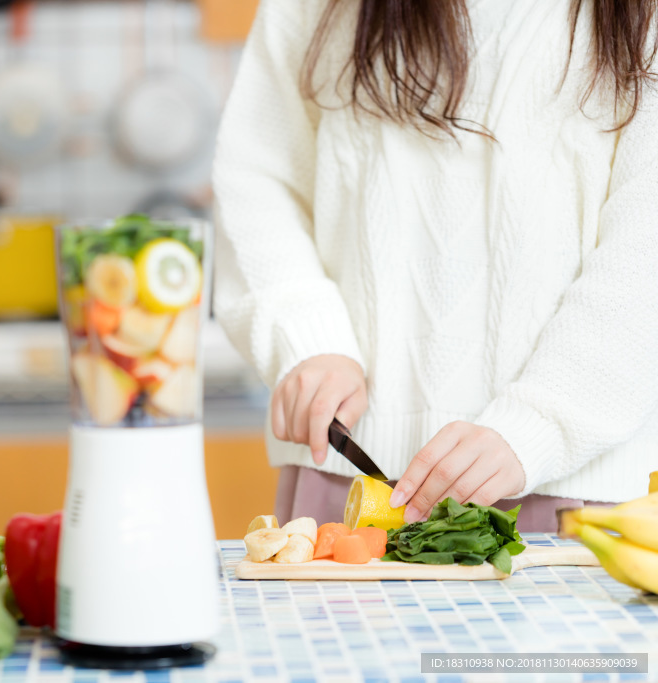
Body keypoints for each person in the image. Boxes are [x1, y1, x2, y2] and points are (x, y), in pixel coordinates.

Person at [213, 0, 658, 532]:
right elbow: (259, 176)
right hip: (351, 474)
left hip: (577, 491)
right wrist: (307, 337)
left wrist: (540, 424)